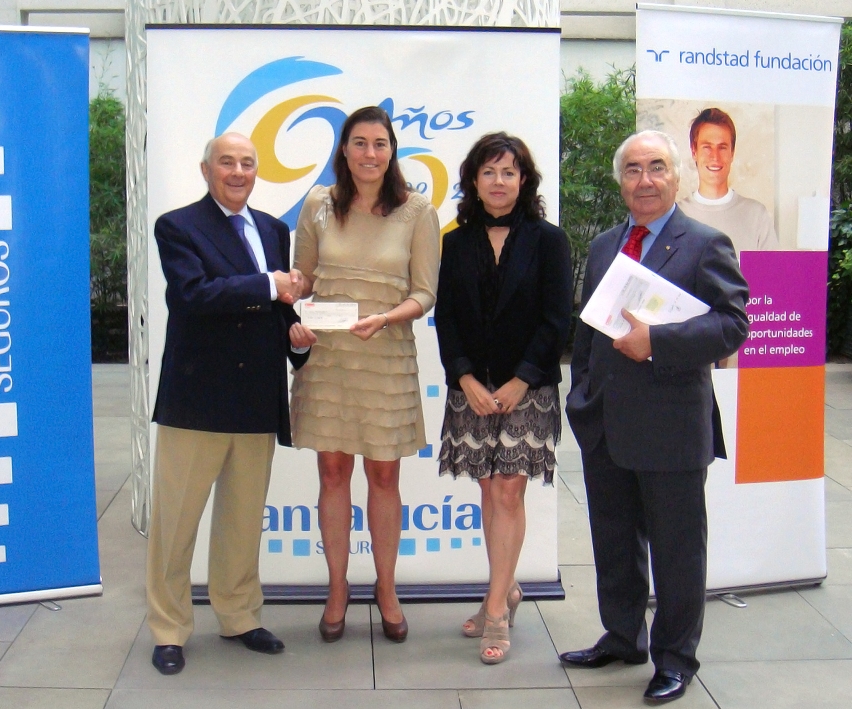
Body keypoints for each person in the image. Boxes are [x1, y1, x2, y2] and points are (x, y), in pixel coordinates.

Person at [561, 130, 749, 704]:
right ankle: (623, 637)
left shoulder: (706, 243)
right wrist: (581, 394)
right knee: (614, 542)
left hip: (671, 426)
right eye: (633, 169)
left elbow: (732, 325)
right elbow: (588, 331)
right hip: (605, 422)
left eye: (657, 167)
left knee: (677, 551)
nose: (645, 180)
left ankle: (675, 659)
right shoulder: (604, 246)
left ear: (676, 176)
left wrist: (658, 342)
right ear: (621, 181)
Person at [145, 132, 308, 676]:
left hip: (256, 398)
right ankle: (169, 628)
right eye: (227, 162)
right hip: (198, 400)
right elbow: (192, 296)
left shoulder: (274, 229)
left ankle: (239, 616)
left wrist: (296, 339)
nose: (238, 172)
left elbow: (278, 307)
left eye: (247, 163)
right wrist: (268, 285)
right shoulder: (178, 226)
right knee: (176, 526)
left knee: (242, 521)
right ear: (206, 170)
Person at [288, 106, 440, 644]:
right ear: (344, 149)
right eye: (359, 142)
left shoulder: (417, 210)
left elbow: (425, 292)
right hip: (329, 358)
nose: (369, 153)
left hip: (386, 358)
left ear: (392, 150)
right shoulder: (317, 204)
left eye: (380, 143)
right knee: (332, 474)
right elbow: (304, 280)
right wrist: (289, 309)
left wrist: (388, 318)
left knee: (384, 477)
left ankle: (387, 588)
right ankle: (337, 588)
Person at [433, 132, 572, 664]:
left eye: (508, 172)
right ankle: (507, 589)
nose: (498, 181)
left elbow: (557, 318)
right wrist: (464, 377)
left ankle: (495, 609)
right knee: (490, 493)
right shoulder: (455, 242)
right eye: (488, 172)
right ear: (473, 180)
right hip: (472, 387)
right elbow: (446, 318)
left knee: (510, 492)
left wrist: (522, 379)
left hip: (527, 389)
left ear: (524, 180)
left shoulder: (549, 241)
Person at [677, 107, 778, 257]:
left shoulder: (757, 216)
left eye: (722, 148)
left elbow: (773, 271)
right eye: (707, 147)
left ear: (732, 153)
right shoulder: (676, 216)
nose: (715, 157)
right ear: (694, 151)